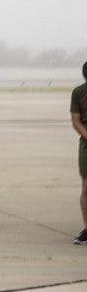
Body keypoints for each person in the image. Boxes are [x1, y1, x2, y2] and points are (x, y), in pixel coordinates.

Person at [70, 61, 87, 245]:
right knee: (86, 187)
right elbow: (76, 120)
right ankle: (86, 228)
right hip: (86, 145)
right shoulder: (79, 93)